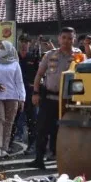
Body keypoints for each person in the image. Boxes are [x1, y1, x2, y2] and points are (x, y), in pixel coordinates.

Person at [27, 27, 81, 170]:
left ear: (74, 39)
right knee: (42, 129)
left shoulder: (79, 55)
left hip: (69, 101)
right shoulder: (50, 55)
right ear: (59, 38)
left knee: (64, 131)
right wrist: (35, 93)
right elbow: (39, 75)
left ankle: (61, 161)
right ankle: (39, 159)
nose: (66, 41)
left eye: (70, 38)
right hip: (49, 98)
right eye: (64, 38)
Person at [0, 40, 25, 158]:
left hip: (12, 95)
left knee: (9, 122)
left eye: (3, 48)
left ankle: (5, 148)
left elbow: (19, 82)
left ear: (9, 49)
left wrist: (22, 98)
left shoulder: (15, 63)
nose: (0, 50)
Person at [10, 34, 39, 154]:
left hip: (30, 93)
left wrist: (36, 90)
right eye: (22, 41)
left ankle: (31, 146)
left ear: (29, 44)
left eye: (26, 42)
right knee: (13, 120)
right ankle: (9, 145)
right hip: (15, 93)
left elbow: (39, 75)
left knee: (32, 121)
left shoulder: (34, 57)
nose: (24, 44)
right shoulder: (13, 57)